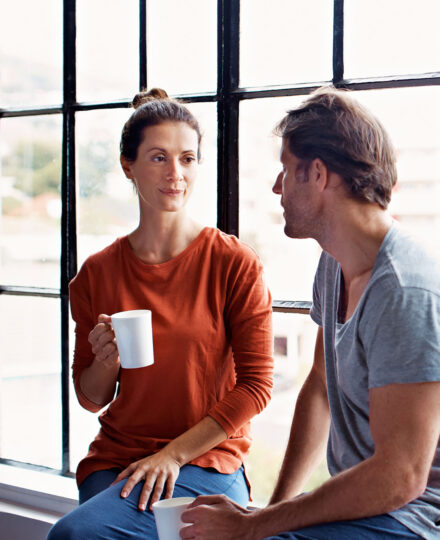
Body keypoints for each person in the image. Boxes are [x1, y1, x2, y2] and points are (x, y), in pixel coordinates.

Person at [180, 87, 440, 539]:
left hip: (431, 519)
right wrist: (265, 516)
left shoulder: (410, 291)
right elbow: (320, 387)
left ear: (317, 174)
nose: (277, 187)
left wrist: (254, 529)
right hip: (383, 503)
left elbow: (401, 477)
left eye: (285, 170)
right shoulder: (335, 262)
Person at [48, 88, 275, 539]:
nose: (176, 174)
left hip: (202, 457)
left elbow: (257, 386)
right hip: (116, 457)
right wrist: (106, 360)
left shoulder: (234, 263)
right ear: (127, 165)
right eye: (158, 158)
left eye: (187, 159)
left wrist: (171, 455)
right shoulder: (96, 273)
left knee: (73, 536)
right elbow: (91, 397)